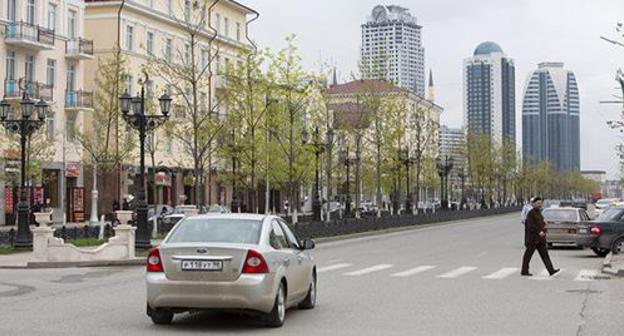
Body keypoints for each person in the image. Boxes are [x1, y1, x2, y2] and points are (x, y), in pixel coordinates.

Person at [521, 197, 560, 277]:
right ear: (534, 204)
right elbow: (530, 226)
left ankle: (551, 270)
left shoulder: (539, 212)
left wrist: (544, 230)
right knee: (528, 256)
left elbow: (542, 224)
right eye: (538, 203)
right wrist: (539, 232)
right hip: (533, 239)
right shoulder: (531, 213)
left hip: (540, 239)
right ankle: (524, 271)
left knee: (545, 255)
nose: (539, 205)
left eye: (540, 203)